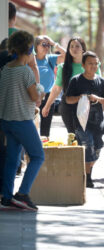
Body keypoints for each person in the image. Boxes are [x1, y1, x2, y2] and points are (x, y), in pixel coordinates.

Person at [0, 30, 45, 211]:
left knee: (12, 159)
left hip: (6, 121)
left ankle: (6, 196)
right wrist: (40, 90)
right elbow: (35, 96)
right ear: (29, 50)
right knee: (37, 156)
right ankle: (23, 193)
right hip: (22, 121)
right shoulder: (26, 71)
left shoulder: (4, 70)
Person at [66, 51, 104, 188]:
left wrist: (96, 99)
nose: (93, 66)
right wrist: (80, 97)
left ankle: (86, 171)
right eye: (90, 63)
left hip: (98, 123)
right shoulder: (76, 80)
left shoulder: (101, 81)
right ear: (83, 65)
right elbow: (68, 99)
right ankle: (88, 178)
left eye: (95, 63)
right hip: (81, 123)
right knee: (88, 146)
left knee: (97, 149)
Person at [42, 37, 100, 133]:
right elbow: (56, 88)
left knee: (89, 139)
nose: (74, 48)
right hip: (69, 106)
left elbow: (99, 85)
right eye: (71, 46)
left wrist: (100, 104)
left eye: (77, 46)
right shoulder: (63, 67)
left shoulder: (93, 64)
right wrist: (47, 106)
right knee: (74, 137)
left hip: (89, 105)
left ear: (83, 49)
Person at [35, 35, 66, 138]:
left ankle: (44, 153)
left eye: (48, 45)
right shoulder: (30, 59)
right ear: (36, 46)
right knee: (32, 129)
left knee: (45, 131)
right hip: (32, 97)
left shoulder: (50, 59)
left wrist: (54, 44)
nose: (46, 47)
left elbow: (68, 56)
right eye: (43, 44)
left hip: (48, 98)